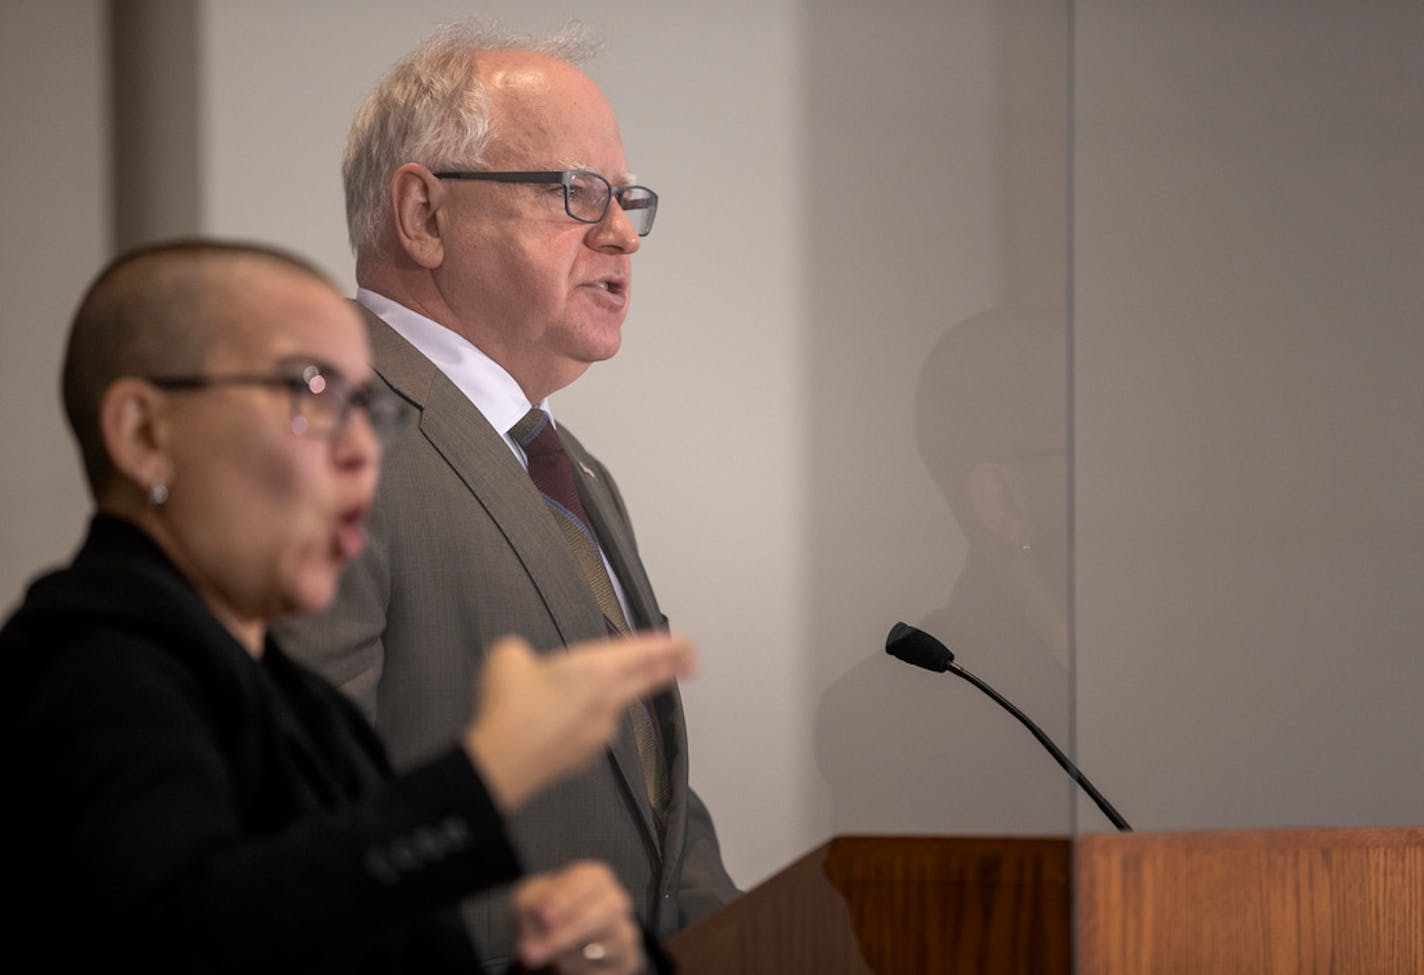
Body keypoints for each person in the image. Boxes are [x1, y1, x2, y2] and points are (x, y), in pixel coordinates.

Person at [0, 239, 695, 974]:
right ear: (145, 434)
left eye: (367, 408)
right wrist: (486, 775)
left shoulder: (303, 707)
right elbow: (183, 943)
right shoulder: (85, 670)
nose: (362, 447)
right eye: (314, 394)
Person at [278, 22, 738, 965]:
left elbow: (656, 803)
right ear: (425, 215)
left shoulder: (573, 469)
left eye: (628, 200)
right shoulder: (331, 437)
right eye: (578, 193)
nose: (620, 234)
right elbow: (303, 819)